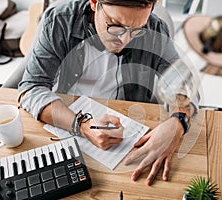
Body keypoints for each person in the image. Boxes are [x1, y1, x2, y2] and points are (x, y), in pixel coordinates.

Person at [18, 0, 198, 186]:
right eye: (115, 25)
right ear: (95, 3)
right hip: (63, 126)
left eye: (137, 30)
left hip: (126, 137)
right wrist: (82, 125)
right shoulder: (60, 20)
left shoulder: (155, 29)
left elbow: (183, 84)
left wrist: (178, 122)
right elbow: (32, 87)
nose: (125, 40)